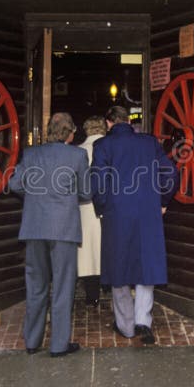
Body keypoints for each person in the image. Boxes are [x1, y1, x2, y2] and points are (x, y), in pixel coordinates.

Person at [91, 105, 178, 345]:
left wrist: (102, 209)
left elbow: (98, 184)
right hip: (147, 213)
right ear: (128, 121)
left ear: (109, 123)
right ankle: (143, 321)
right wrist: (162, 201)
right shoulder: (149, 143)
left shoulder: (103, 146)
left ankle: (126, 325)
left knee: (118, 267)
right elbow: (170, 173)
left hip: (116, 214)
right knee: (146, 265)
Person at [8, 112, 90, 357]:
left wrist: (34, 196)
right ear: (70, 133)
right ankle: (58, 345)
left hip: (34, 227)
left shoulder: (32, 154)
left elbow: (14, 184)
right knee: (63, 287)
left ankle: (32, 342)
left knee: (36, 285)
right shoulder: (77, 155)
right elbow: (87, 192)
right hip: (63, 229)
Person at [77, 115, 106, 306]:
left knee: (86, 252)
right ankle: (109, 286)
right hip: (104, 206)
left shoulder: (77, 151)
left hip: (83, 207)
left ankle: (91, 294)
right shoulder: (109, 149)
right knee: (105, 246)